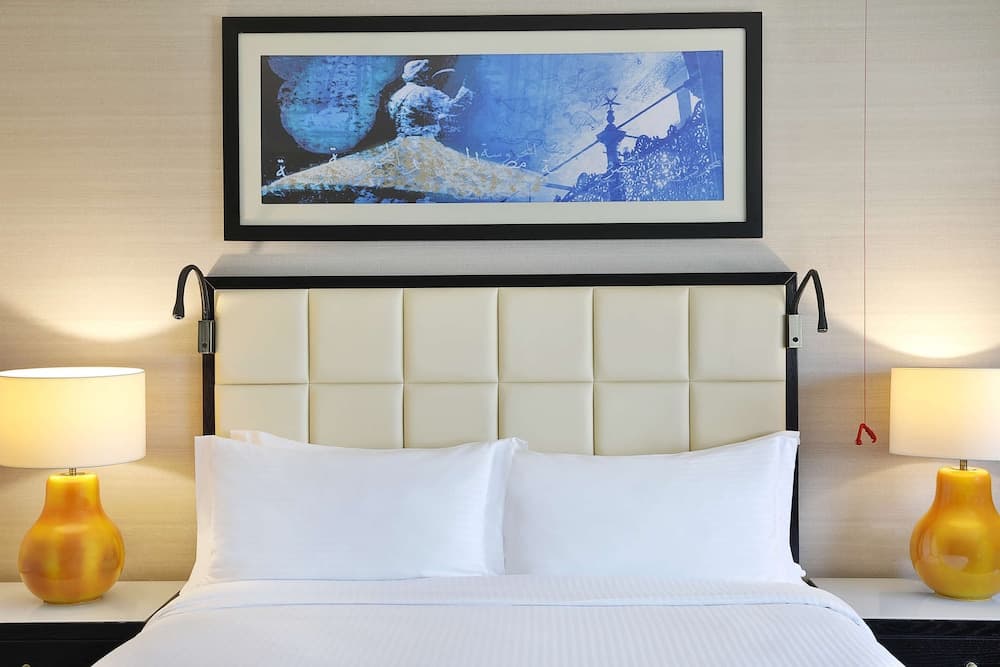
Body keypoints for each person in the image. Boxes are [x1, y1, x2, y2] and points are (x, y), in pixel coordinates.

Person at [386, 59, 472, 138]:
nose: (428, 76)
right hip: (424, 141)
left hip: (401, 141)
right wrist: (466, 88)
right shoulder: (427, 92)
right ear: (420, 75)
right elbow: (453, 109)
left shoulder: (396, 95)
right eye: (426, 73)